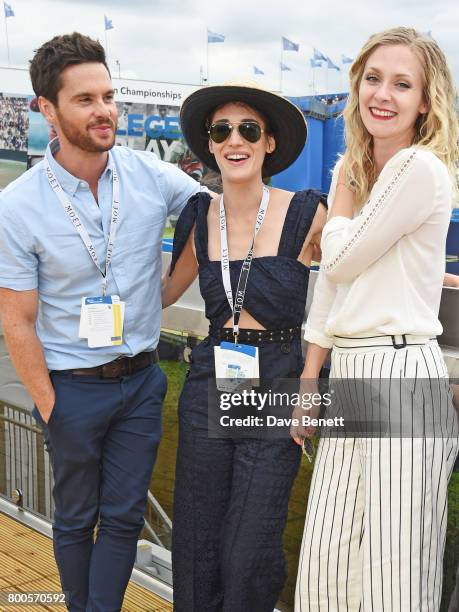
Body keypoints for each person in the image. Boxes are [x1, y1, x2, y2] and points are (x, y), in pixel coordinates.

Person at [0, 33, 201, 611]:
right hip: (70, 387)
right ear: (48, 108)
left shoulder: (149, 176)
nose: (105, 110)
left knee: (123, 517)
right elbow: (16, 320)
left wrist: (169, 289)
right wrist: (49, 405)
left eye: (109, 95)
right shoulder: (19, 206)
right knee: (74, 519)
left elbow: (212, 215)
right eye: (85, 99)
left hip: (140, 383)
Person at [294, 27, 459, 611]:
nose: (382, 94)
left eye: (402, 83)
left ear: (425, 99)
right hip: (353, 372)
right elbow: (332, 286)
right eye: (372, 78)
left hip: (401, 372)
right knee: (328, 557)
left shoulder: (418, 168)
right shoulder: (362, 169)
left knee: (392, 574)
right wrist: (311, 378)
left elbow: (334, 256)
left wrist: (339, 197)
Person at [161, 81, 327, 611]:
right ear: (210, 144)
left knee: (248, 547)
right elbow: (162, 294)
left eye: (248, 129)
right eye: (222, 130)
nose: (235, 140)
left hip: (279, 382)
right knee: (197, 539)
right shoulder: (198, 218)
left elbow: (365, 270)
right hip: (212, 378)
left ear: (268, 143)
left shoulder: (306, 213)